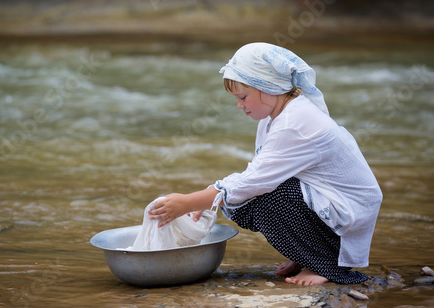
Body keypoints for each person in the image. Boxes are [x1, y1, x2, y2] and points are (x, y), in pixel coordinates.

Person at [148, 42, 383, 285]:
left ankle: (324, 264)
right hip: (329, 202)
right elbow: (258, 171)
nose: (239, 106)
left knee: (267, 199)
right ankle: (306, 255)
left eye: (243, 97)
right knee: (244, 202)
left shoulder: (294, 121)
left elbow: (256, 181)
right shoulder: (276, 117)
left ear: (268, 86)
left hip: (348, 213)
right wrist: (210, 195)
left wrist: (190, 201)